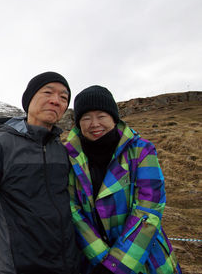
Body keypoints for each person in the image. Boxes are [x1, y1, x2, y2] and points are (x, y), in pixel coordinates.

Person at [0, 71, 81, 274]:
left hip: (64, 261)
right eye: (48, 92)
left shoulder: (61, 149)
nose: (56, 101)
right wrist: (2, 236)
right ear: (29, 99)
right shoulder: (0, 143)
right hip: (16, 264)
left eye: (64, 97)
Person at [65, 85, 182, 274]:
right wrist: (103, 261)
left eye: (101, 116)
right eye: (86, 118)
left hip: (145, 259)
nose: (94, 123)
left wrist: (116, 266)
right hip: (94, 262)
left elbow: (149, 208)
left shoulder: (141, 150)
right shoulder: (70, 158)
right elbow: (73, 211)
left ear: (113, 118)